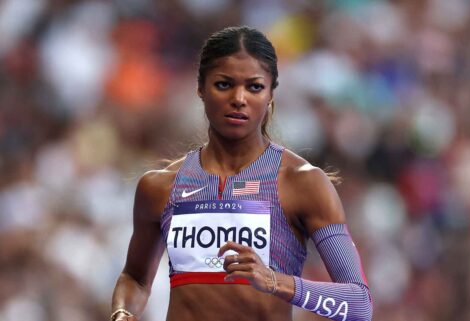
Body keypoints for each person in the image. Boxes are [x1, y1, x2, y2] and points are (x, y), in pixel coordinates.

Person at [110, 26, 372, 321]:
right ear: (200, 88)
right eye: (224, 84)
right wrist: (122, 312)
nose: (239, 98)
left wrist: (277, 282)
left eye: (254, 87)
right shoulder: (159, 187)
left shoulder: (302, 182)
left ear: (271, 93)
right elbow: (135, 279)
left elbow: (359, 305)